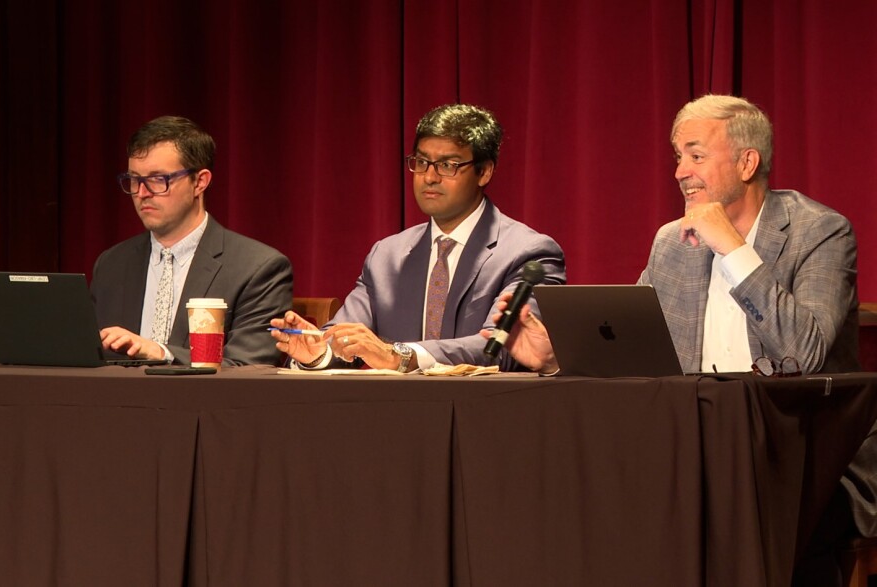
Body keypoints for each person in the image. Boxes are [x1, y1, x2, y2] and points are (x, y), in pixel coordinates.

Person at [483, 94, 866, 585]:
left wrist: (730, 245)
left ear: (747, 162)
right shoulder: (672, 242)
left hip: (804, 456)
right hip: (696, 448)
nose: (681, 172)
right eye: (677, 157)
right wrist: (555, 358)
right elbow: (637, 355)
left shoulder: (820, 232)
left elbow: (804, 354)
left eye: (696, 155)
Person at [270, 103, 565, 372]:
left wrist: (400, 355)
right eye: (421, 162)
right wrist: (318, 351)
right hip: (395, 418)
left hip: (483, 416)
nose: (430, 177)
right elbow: (346, 335)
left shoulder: (528, 253)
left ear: (484, 172)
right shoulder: (387, 254)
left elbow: (501, 348)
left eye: (448, 165)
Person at [91, 115, 293, 366]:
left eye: (157, 179)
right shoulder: (111, 264)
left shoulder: (257, 268)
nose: (142, 193)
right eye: (134, 179)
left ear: (199, 182)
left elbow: (247, 366)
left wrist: (161, 352)